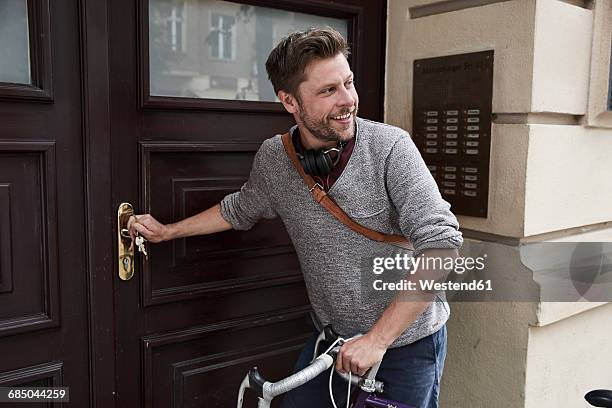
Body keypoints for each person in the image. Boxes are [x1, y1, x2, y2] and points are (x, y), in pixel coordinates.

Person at [128, 27, 462, 408]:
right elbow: (239, 209)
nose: (348, 100)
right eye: (327, 91)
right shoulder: (275, 159)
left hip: (406, 346)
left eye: (348, 83)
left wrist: (377, 340)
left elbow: (442, 246)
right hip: (330, 342)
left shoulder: (391, 149)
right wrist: (168, 231)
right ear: (289, 101)